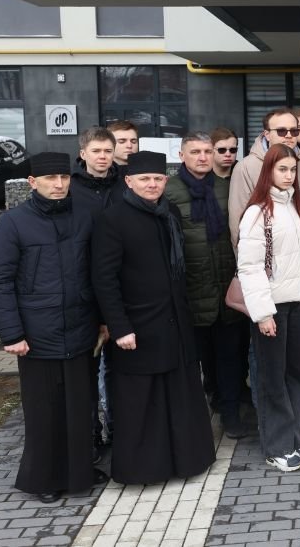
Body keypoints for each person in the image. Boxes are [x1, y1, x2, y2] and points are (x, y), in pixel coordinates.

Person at [0, 152, 107, 504]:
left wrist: (103, 320)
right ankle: (45, 477)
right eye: (51, 179)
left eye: (64, 178)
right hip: (37, 334)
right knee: (44, 410)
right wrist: (12, 333)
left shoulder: (84, 216)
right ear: (32, 182)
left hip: (81, 328)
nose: (59, 184)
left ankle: (80, 471)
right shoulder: (13, 223)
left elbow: (96, 273)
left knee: (80, 407)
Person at [91, 151, 216, 484]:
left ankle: (186, 462)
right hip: (138, 326)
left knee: (179, 396)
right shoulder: (113, 219)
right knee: (143, 403)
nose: (152, 184)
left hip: (174, 323)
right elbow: (104, 279)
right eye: (144, 179)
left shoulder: (169, 211)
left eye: (158, 179)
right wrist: (119, 327)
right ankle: (146, 470)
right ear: (129, 181)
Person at [236, 144, 300, 472]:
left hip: (298, 303)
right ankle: (277, 447)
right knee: (272, 379)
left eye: (293, 169)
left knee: (298, 373)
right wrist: (263, 314)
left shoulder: (293, 206)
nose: (289, 175)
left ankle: (292, 439)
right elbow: (249, 268)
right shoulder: (257, 212)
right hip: (272, 307)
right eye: (282, 169)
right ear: (269, 171)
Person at [165, 131, 247, 439]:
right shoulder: (169, 191)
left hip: (226, 284)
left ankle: (231, 414)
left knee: (230, 356)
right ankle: (199, 417)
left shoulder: (227, 187)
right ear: (181, 155)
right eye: (195, 152)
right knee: (197, 360)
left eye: (206, 151)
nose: (202, 157)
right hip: (191, 288)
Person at [69, 125, 125, 455]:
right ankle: (90, 435)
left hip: (121, 290)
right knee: (86, 372)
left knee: (119, 369)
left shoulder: (124, 184)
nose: (102, 157)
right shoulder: (70, 189)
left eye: (107, 151)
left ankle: (118, 429)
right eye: (96, 151)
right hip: (83, 293)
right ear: (83, 154)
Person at [229, 106, 300, 247]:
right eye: (281, 131)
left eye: (294, 131)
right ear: (267, 134)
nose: (289, 135)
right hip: (263, 252)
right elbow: (237, 220)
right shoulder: (245, 167)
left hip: (299, 249)